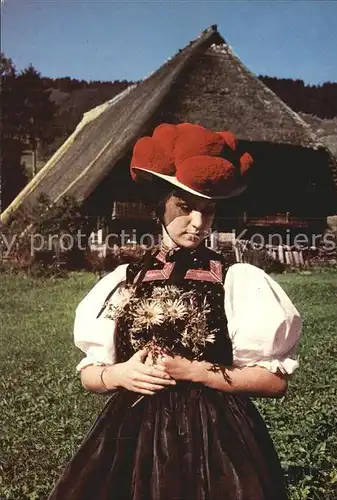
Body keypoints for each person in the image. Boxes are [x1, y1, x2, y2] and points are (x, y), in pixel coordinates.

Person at [48, 123, 302, 500]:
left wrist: (197, 372)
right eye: (185, 207)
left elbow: (274, 383)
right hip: (130, 436)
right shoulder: (125, 279)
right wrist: (118, 373)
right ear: (159, 205)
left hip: (215, 438)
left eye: (209, 211)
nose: (198, 223)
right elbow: (90, 375)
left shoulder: (235, 279)